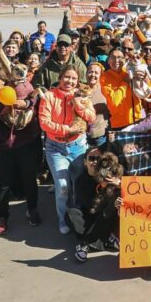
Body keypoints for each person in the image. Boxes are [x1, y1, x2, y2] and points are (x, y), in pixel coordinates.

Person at [0, 69, 42, 236]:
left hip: (26, 144)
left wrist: (26, 104)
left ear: (3, 80)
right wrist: (2, 109)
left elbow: (34, 97)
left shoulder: (18, 89)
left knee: (29, 179)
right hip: (2, 148)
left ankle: (32, 209)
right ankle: (3, 217)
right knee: (3, 184)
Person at [39, 65, 96, 234]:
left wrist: (78, 105)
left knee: (79, 184)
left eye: (73, 78)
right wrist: (67, 130)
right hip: (55, 147)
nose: (69, 81)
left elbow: (91, 117)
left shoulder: (81, 95)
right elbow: (44, 123)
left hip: (78, 146)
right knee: (63, 186)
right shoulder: (49, 96)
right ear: (60, 77)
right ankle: (63, 219)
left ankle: (79, 217)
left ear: (78, 81)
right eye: (66, 77)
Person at [67, 147, 122, 264]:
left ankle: (85, 245)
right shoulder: (80, 180)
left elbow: (127, 190)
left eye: (98, 158)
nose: (95, 161)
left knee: (112, 206)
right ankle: (105, 239)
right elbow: (91, 206)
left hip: (108, 214)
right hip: (91, 214)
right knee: (70, 214)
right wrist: (102, 188)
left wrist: (119, 184)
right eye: (91, 158)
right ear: (85, 162)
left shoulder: (107, 173)